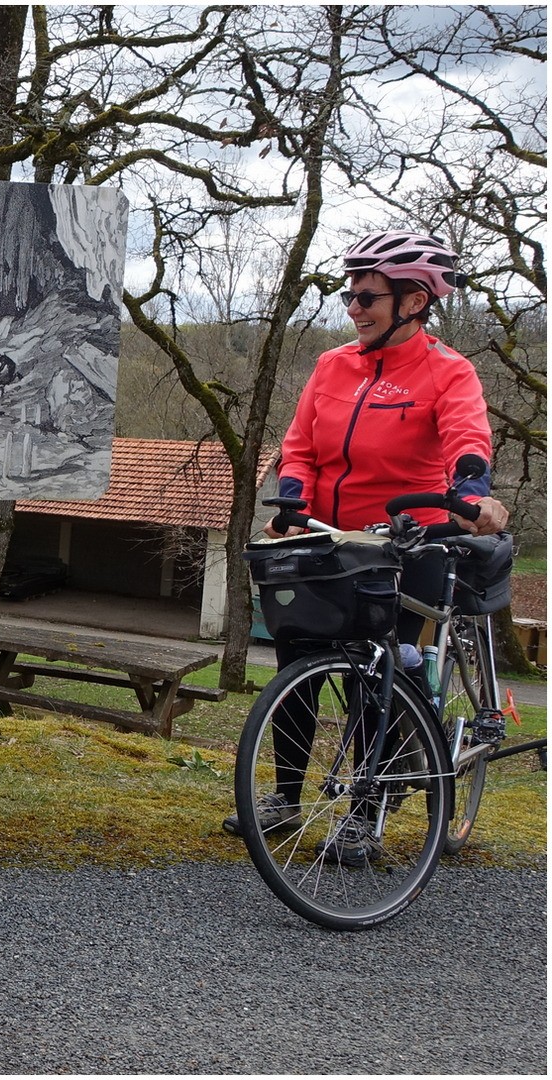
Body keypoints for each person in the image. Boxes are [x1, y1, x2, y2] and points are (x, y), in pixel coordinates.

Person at [225, 229, 511, 864]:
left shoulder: (448, 371)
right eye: (349, 296)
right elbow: (300, 443)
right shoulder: (333, 365)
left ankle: (365, 813)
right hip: (329, 541)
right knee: (297, 660)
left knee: (375, 675)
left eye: (367, 297)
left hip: (409, 541)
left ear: (414, 301)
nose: (354, 308)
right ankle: (284, 798)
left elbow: (467, 440)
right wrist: (293, 504)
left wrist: (472, 496)